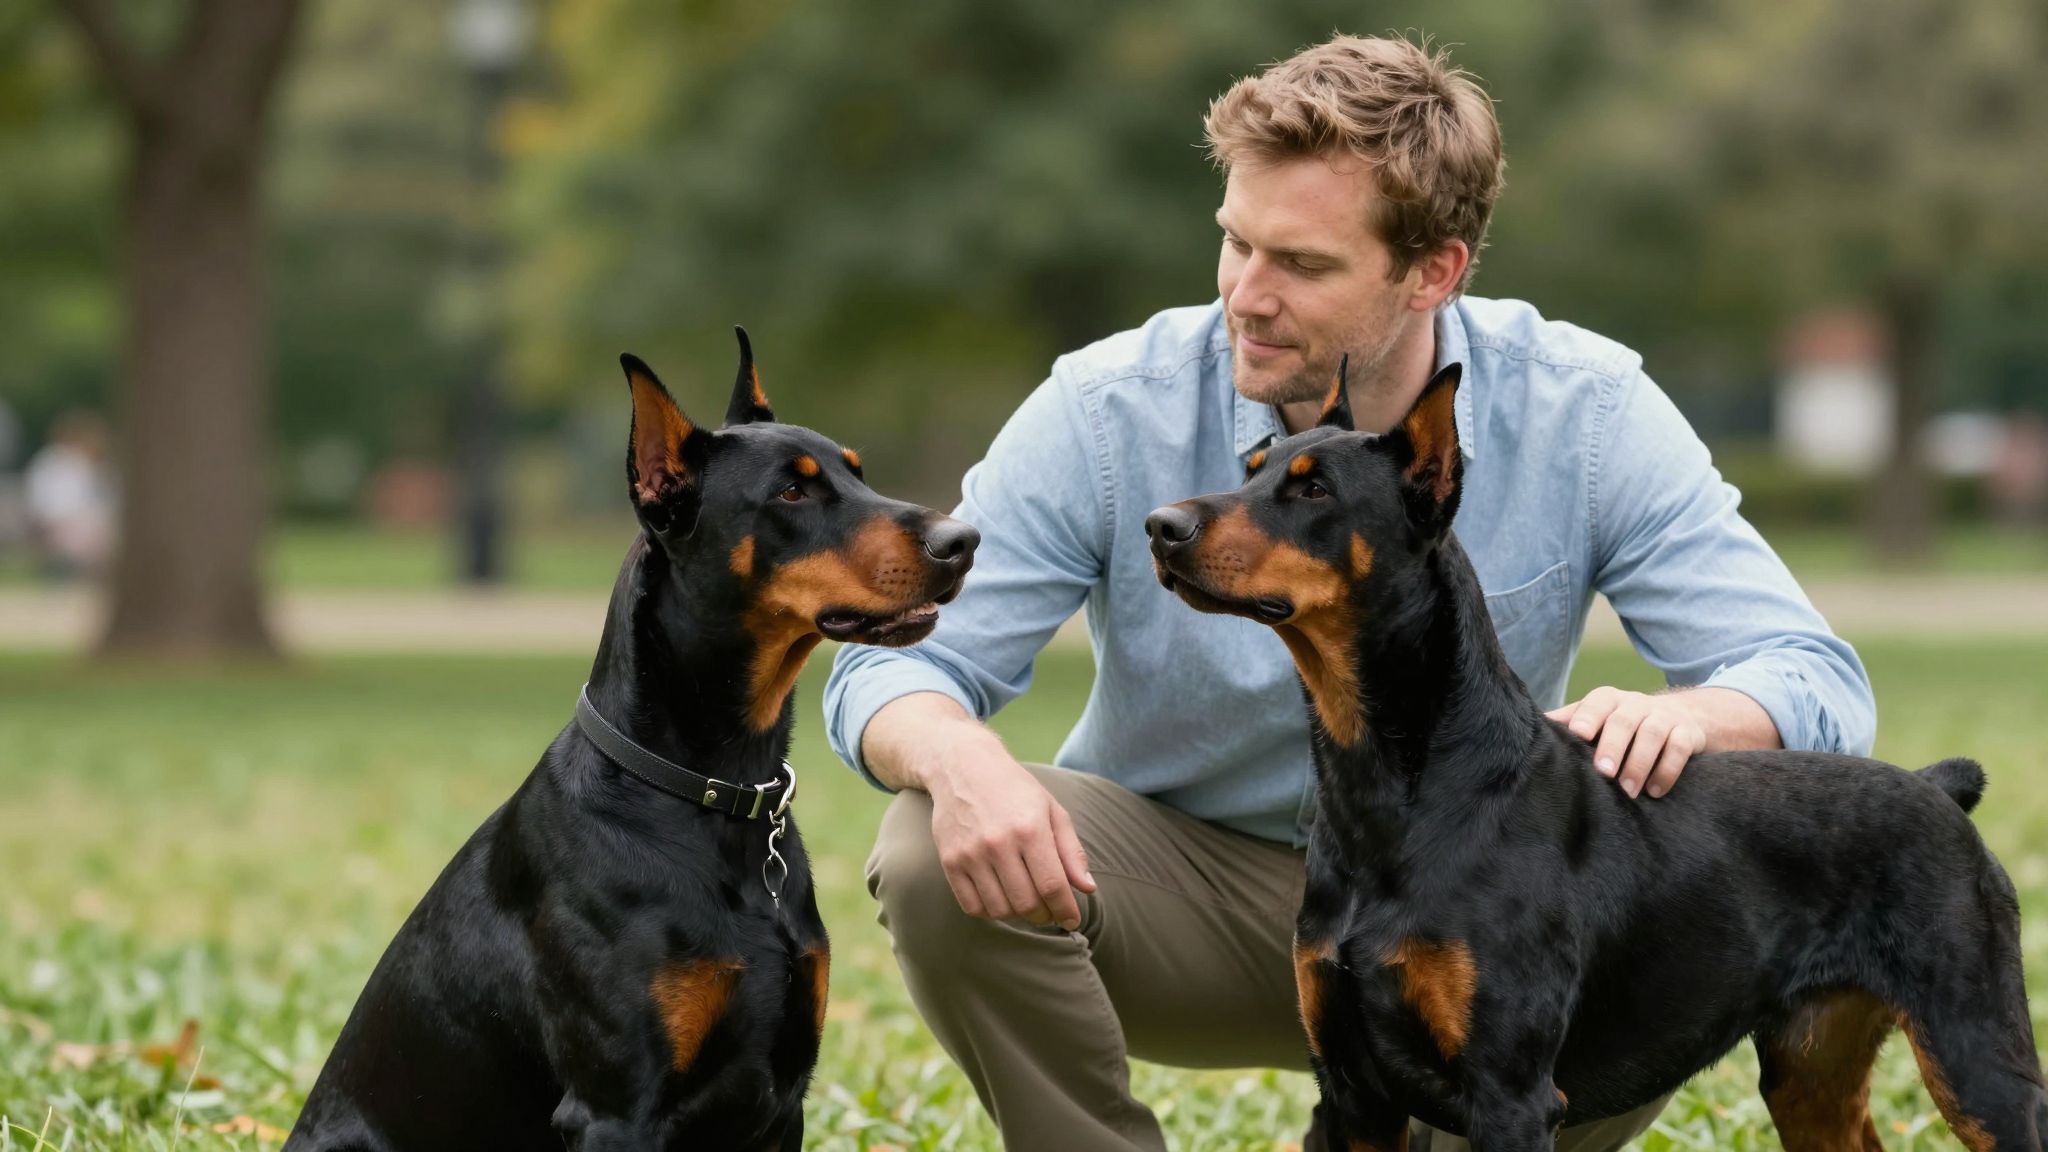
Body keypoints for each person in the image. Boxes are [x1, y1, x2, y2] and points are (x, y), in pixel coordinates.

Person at [824, 33, 1874, 1152]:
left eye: (1303, 264)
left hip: (1486, 911)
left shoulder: (1587, 411)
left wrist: (1695, 715)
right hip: (1188, 896)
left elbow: (1814, 679)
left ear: (1433, 272)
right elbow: (889, 666)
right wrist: (957, 755)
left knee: (1644, 897)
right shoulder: (1105, 407)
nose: (1246, 296)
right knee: (929, 846)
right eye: (1234, 241)